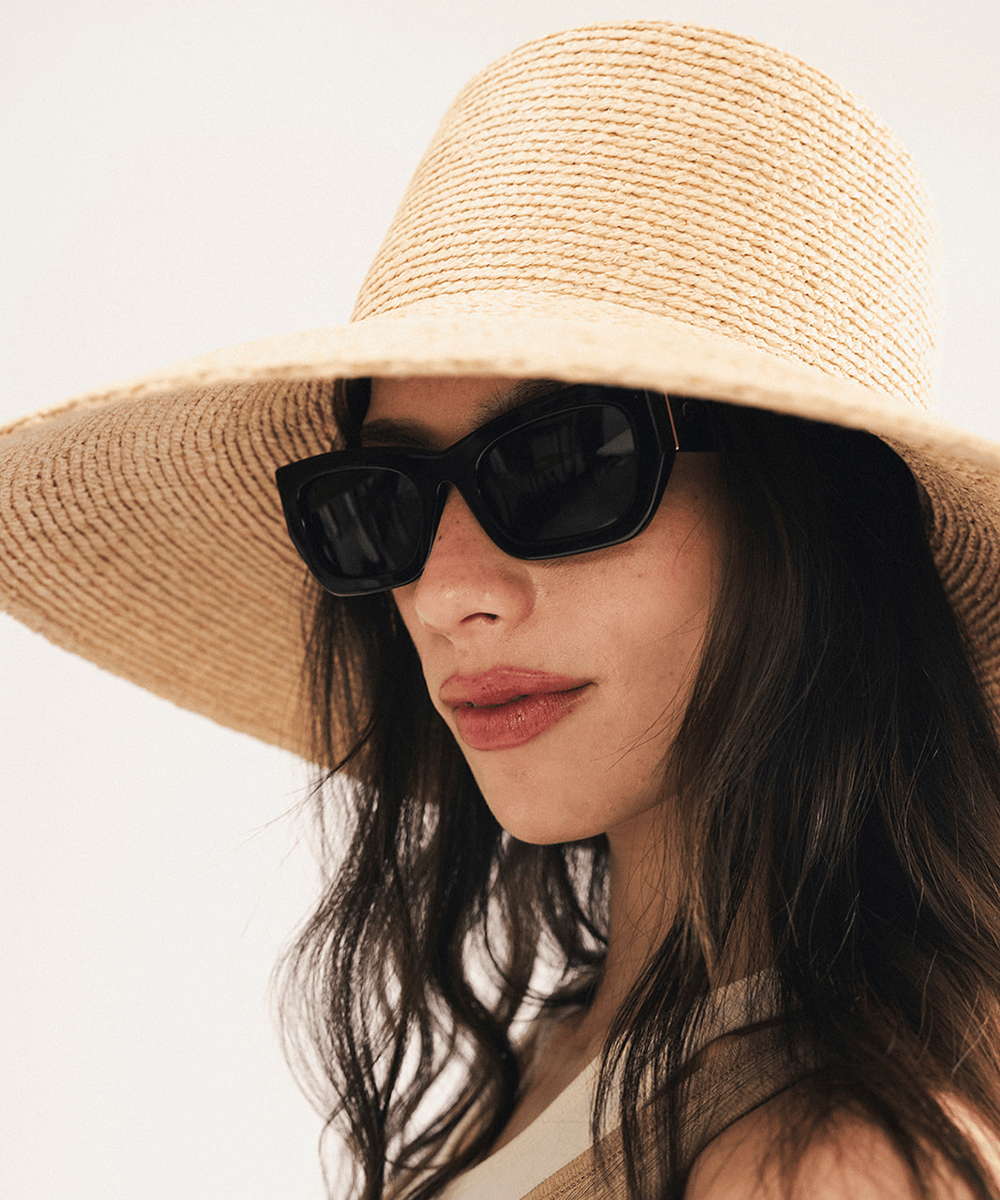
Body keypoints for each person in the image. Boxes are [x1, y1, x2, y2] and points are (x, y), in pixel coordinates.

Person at [2, 19, 1000, 1200]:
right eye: (382, 499)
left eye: (560, 465)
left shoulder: (829, 1161)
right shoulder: (574, 1053)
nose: (445, 592)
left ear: (809, 517)